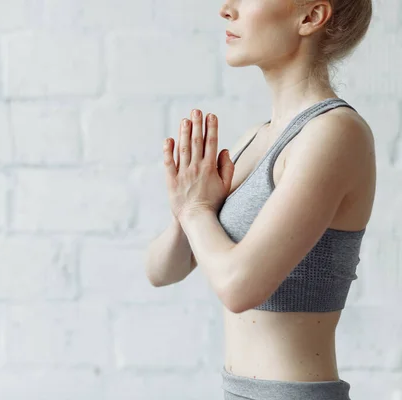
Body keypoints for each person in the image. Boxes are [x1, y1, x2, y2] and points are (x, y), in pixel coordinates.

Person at [145, 0, 376, 399]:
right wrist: (186, 210)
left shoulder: (335, 133)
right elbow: (162, 271)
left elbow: (239, 287)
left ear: (310, 17)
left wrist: (197, 209)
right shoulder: (256, 138)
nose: (226, 9)